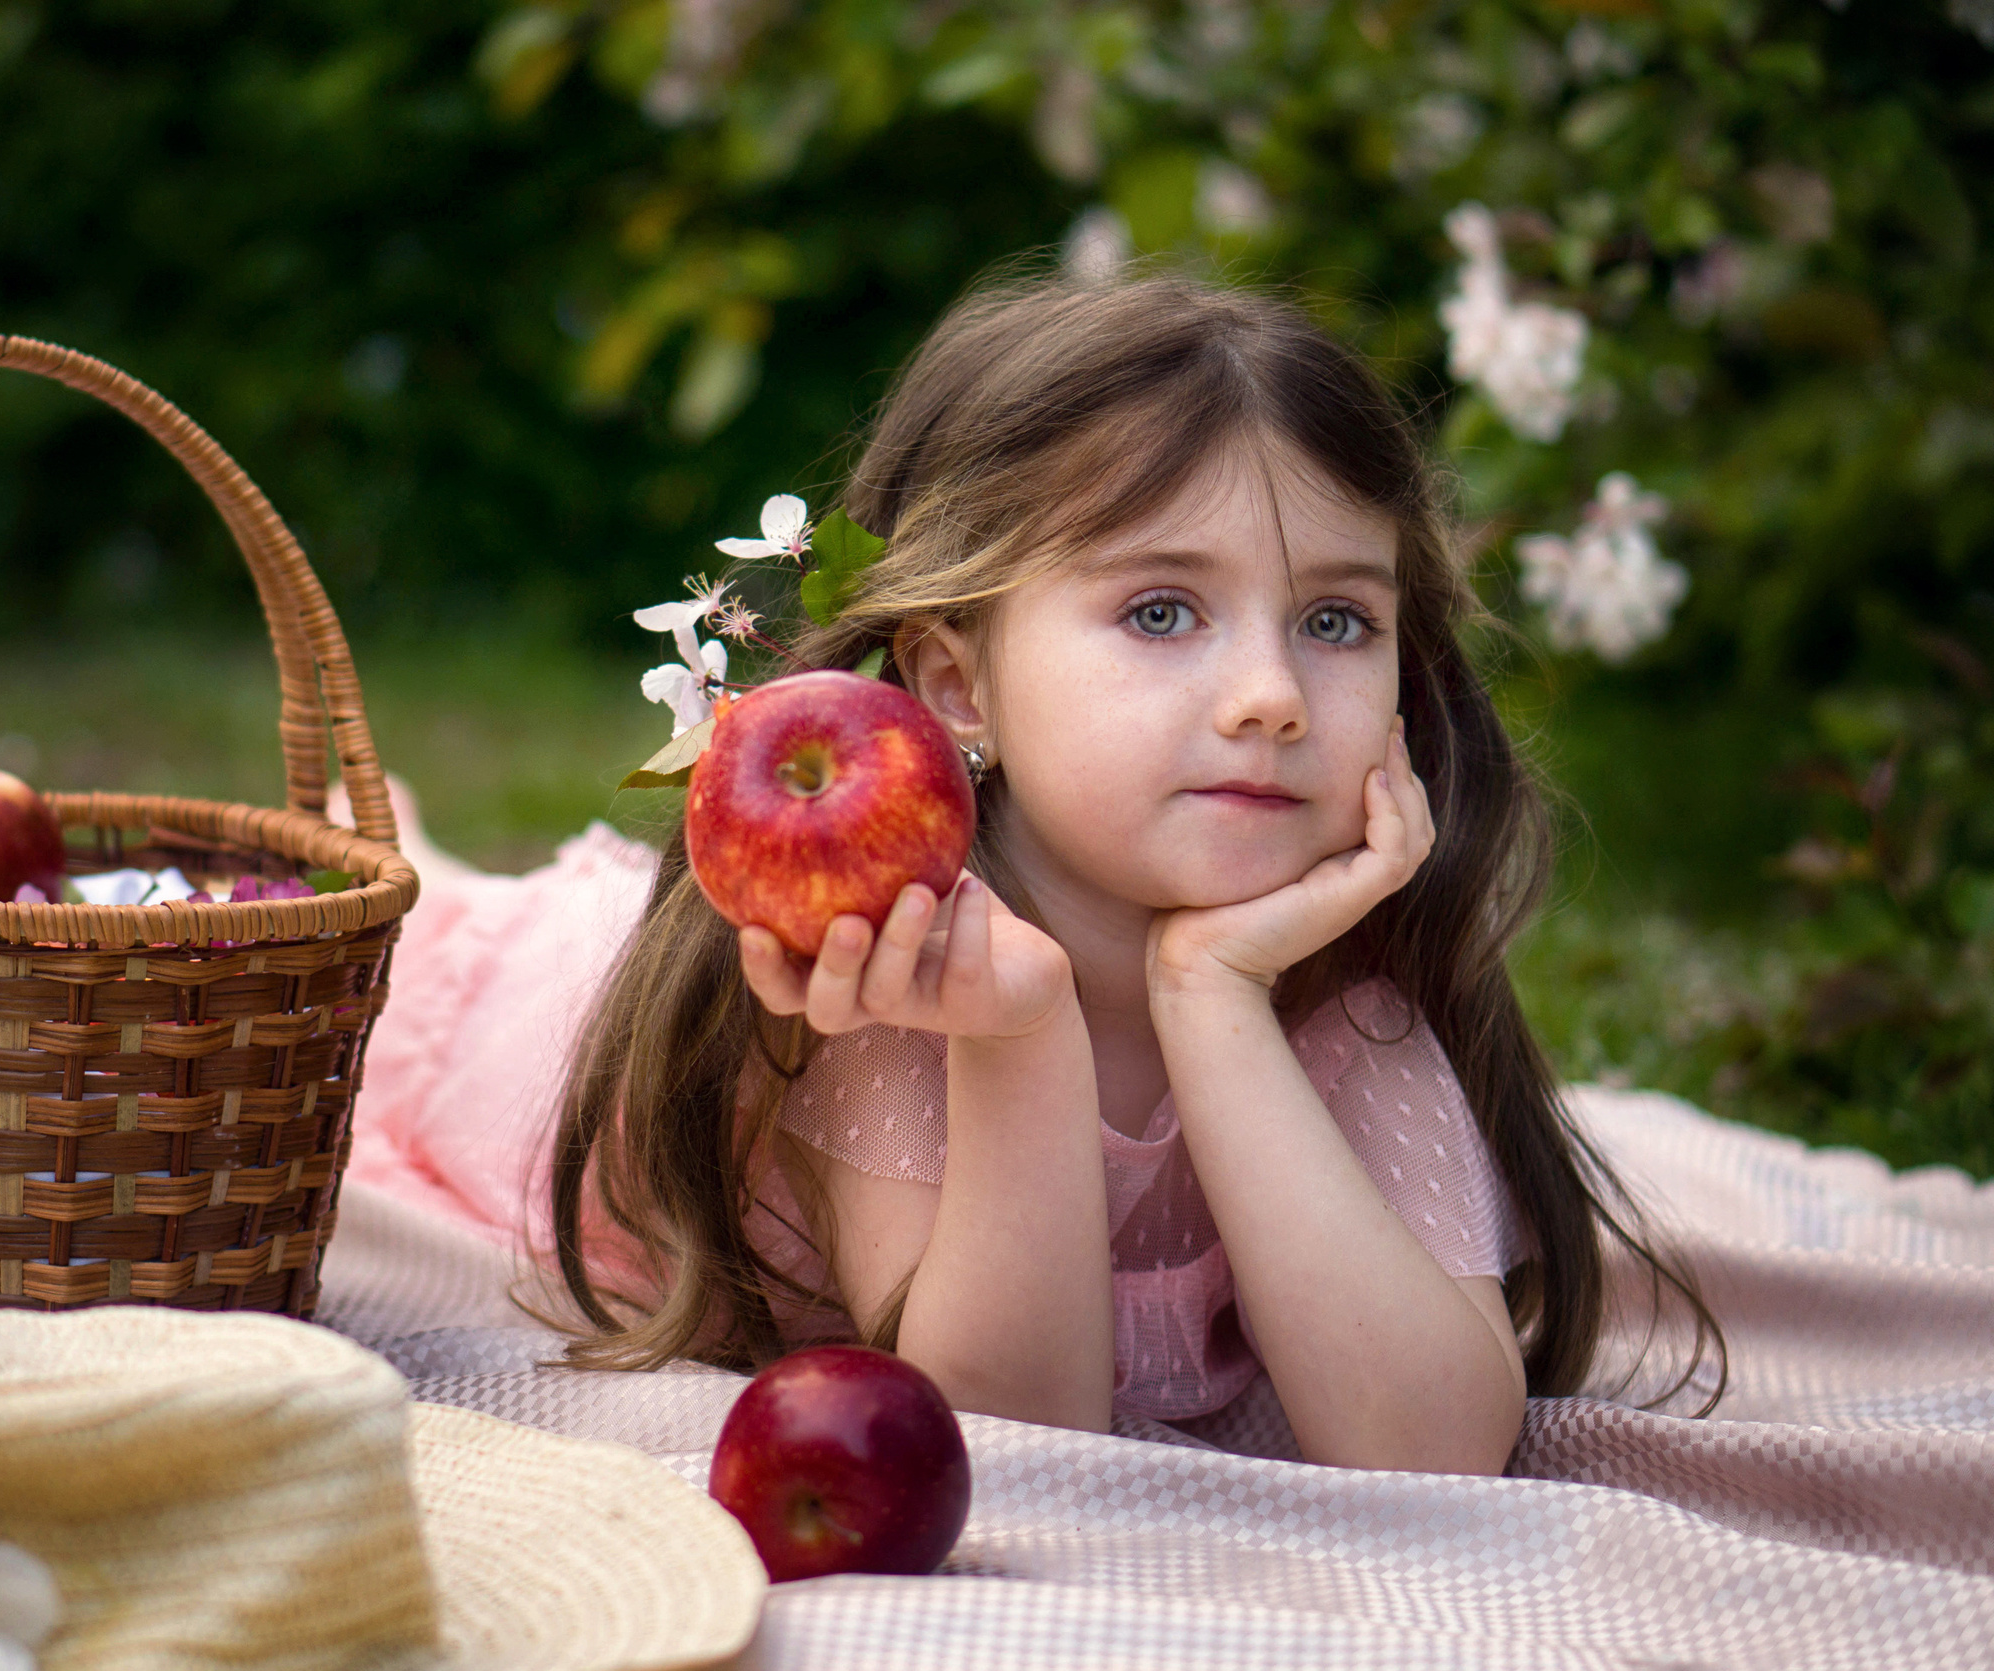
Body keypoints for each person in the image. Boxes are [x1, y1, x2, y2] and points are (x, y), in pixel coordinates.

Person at [539, 271, 1723, 1475]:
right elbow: (1010, 1441)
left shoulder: (1340, 998)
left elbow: (1432, 1451)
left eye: (1335, 623)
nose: (1271, 698)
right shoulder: (883, 967)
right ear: (958, 686)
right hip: (528, 1018)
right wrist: (1016, 1037)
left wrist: (1214, 995)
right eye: (1161, 613)